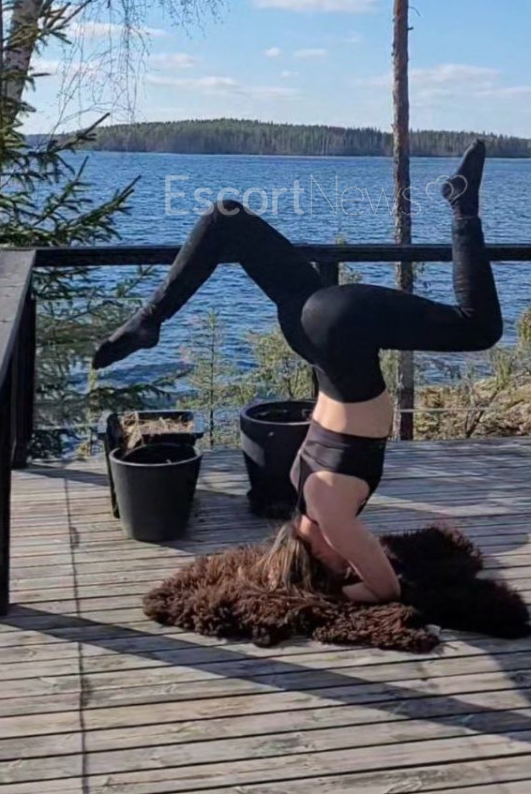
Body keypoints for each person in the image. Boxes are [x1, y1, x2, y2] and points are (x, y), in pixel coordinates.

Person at [93, 140, 502, 604]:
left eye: (338, 566)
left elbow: (385, 588)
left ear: (317, 558)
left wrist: (335, 594)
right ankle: (150, 316)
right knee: (227, 218)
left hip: (342, 332)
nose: (348, 562)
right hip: (307, 329)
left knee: (478, 328)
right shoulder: (300, 484)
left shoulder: (332, 517)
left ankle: (462, 206)